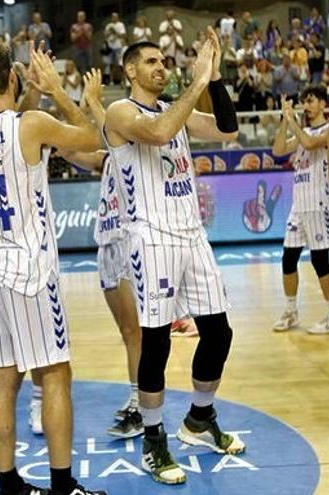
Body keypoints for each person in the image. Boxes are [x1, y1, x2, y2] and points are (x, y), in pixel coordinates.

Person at [0, 42, 103, 495]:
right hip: (29, 268)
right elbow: (93, 137)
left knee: (3, 379)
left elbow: (10, 123)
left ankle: (8, 485)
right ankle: (62, 486)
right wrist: (56, 89)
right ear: (12, 81)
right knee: (54, 372)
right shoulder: (30, 124)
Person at [104, 29, 242, 486]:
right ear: (129, 70)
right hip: (152, 236)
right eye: (151, 62)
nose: (161, 67)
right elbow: (161, 132)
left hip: (190, 233)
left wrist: (216, 76)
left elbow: (227, 129)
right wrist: (197, 82)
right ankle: (153, 437)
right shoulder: (120, 112)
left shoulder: (174, 108)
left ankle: (199, 420)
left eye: (165, 62)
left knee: (218, 332)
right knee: (157, 341)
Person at [57, 69, 144, 439]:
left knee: (136, 330)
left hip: (129, 241)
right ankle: (138, 395)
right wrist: (58, 127)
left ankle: (142, 405)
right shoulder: (107, 159)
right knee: (126, 331)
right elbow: (73, 150)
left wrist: (91, 101)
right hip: (106, 245)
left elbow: (106, 129)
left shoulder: (132, 146)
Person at [271, 86, 329, 334]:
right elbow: (278, 150)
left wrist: (293, 122)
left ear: (323, 104)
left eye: (310, 101)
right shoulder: (304, 131)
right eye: (303, 102)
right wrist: (285, 120)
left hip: (319, 203)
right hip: (298, 206)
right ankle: (291, 311)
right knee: (288, 258)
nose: (306, 105)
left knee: (320, 261)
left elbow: (310, 143)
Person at [104, 12, 127, 85]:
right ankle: (111, 81)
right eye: (113, 17)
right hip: (110, 47)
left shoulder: (121, 25)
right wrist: (110, 32)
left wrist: (115, 31)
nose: (114, 18)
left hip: (118, 47)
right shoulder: (108, 25)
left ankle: (122, 81)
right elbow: (105, 36)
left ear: (118, 17)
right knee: (111, 64)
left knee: (120, 64)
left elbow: (123, 36)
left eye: (115, 17)